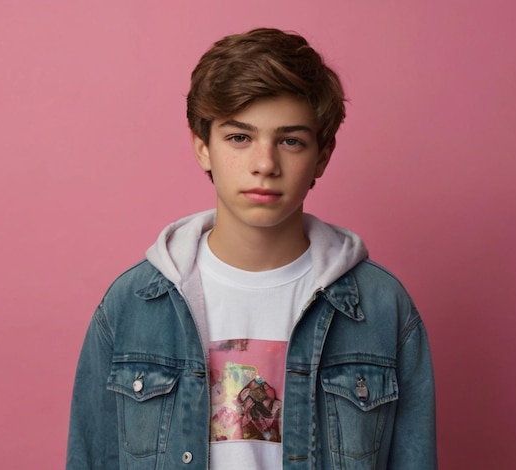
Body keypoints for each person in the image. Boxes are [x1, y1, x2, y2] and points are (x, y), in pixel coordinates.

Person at [66, 28, 437, 469]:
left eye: (290, 140)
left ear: (322, 155)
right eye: (240, 137)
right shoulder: (131, 306)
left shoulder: (381, 309)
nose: (265, 164)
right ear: (202, 146)